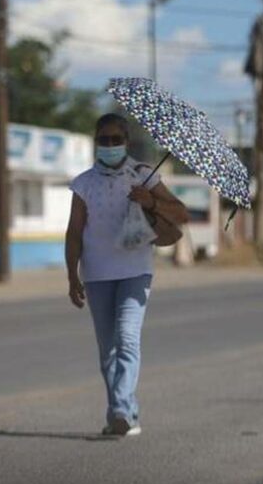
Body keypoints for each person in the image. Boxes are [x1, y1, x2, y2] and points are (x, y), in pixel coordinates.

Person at [66, 113, 189, 437]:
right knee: (107, 349)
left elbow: (181, 212)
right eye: (103, 140)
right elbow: (74, 232)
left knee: (127, 337)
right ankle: (121, 414)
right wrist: (71, 276)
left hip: (136, 271)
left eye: (115, 140)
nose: (109, 145)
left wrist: (150, 199)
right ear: (96, 142)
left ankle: (121, 410)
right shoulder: (84, 183)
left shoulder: (143, 174)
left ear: (126, 142)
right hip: (97, 274)